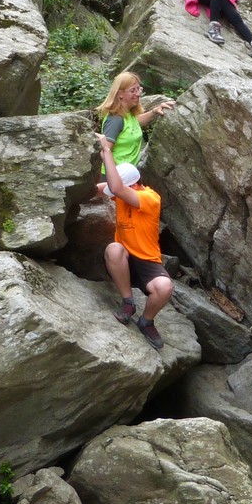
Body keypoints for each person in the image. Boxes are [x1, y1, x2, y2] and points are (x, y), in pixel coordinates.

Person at [98, 134, 173, 350]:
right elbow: (98, 188)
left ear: (132, 185)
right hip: (125, 258)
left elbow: (116, 188)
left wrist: (107, 150)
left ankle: (146, 321)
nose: (113, 194)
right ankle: (128, 303)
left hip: (148, 260)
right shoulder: (122, 193)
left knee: (164, 287)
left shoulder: (150, 198)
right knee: (114, 249)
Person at [96, 70, 174, 169]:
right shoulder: (115, 119)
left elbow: (135, 123)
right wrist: (115, 176)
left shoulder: (127, 115)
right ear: (120, 94)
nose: (138, 94)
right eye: (133, 90)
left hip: (127, 174)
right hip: (116, 175)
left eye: (138, 89)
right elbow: (104, 152)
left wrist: (155, 111)